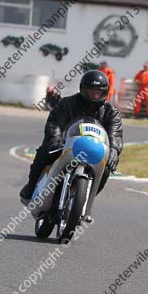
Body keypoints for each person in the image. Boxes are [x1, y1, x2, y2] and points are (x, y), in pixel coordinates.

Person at [19, 71, 123, 203]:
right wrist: (54, 140)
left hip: (95, 149)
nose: (94, 94)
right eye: (91, 91)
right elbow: (55, 124)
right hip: (67, 145)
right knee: (44, 152)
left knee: (107, 169)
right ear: (82, 89)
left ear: (105, 92)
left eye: (98, 91)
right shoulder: (66, 103)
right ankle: (31, 185)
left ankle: (85, 199)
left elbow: (115, 134)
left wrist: (113, 151)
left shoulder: (111, 112)